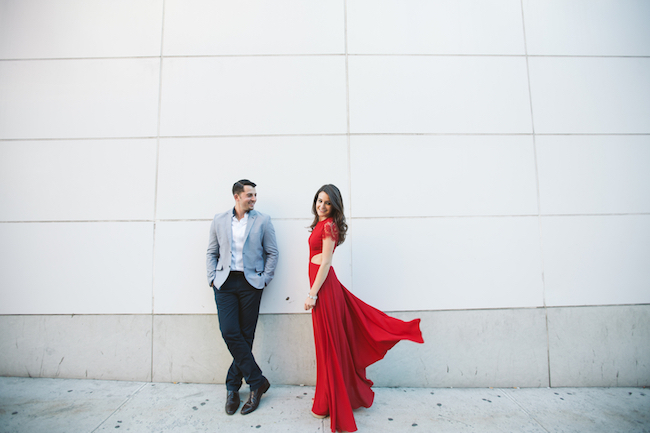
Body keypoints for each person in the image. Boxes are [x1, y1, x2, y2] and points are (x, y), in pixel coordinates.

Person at [304, 184, 424, 433]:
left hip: (324, 291)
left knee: (329, 347)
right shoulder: (320, 223)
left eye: (327, 202)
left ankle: (327, 402)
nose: (321, 205)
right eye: (319, 200)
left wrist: (312, 294)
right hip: (324, 290)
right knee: (326, 346)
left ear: (334, 205)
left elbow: (326, 261)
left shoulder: (328, 226)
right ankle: (325, 401)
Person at [206, 179, 278, 415]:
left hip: (251, 284)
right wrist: (212, 278)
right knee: (229, 332)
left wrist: (264, 279)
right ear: (237, 196)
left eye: (255, 195)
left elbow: (272, 252)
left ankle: (233, 387)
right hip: (225, 283)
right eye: (250, 195)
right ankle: (257, 381)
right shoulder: (219, 219)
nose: (254, 199)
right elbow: (212, 251)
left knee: (246, 336)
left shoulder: (263, 220)